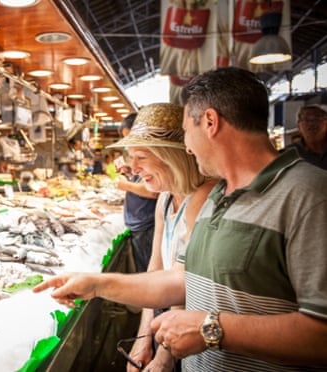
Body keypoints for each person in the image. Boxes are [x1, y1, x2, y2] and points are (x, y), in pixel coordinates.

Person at [33, 67, 327, 371]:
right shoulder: (219, 195)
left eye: (187, 131)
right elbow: (181, 279)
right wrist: (97, 285)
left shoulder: (312, 194)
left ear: (210, 122)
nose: (186, 146)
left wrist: (211, 329)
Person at [107, 103, 216, 371]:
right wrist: (144, 339)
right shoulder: (165, 199)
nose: (133, 167)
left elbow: (183, 286)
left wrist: (163, 357)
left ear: (170, 156)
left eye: (141, 157)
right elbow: (155, 270)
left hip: (198, 335)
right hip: (170, 327)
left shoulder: (206, 197)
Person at [111, 112, 159, 274]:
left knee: (146, 273)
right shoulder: (140, 158)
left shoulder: (152, 154)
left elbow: (154, 192)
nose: (129, 144)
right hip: (140, 226)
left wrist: (126, 185)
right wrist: (130, 174)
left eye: (130, 137)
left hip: (146, 227)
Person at [285, 104, 327, 170]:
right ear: (298, 126)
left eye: (317, 118)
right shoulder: (289, 154)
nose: (311, 123)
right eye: (306, 119)